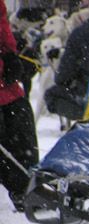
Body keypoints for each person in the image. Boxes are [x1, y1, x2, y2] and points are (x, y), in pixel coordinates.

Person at [1, 0, 38, 210]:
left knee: (21, 121)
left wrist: (9, 54)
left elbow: (2, 25)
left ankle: (26, 187)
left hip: (5, 83)